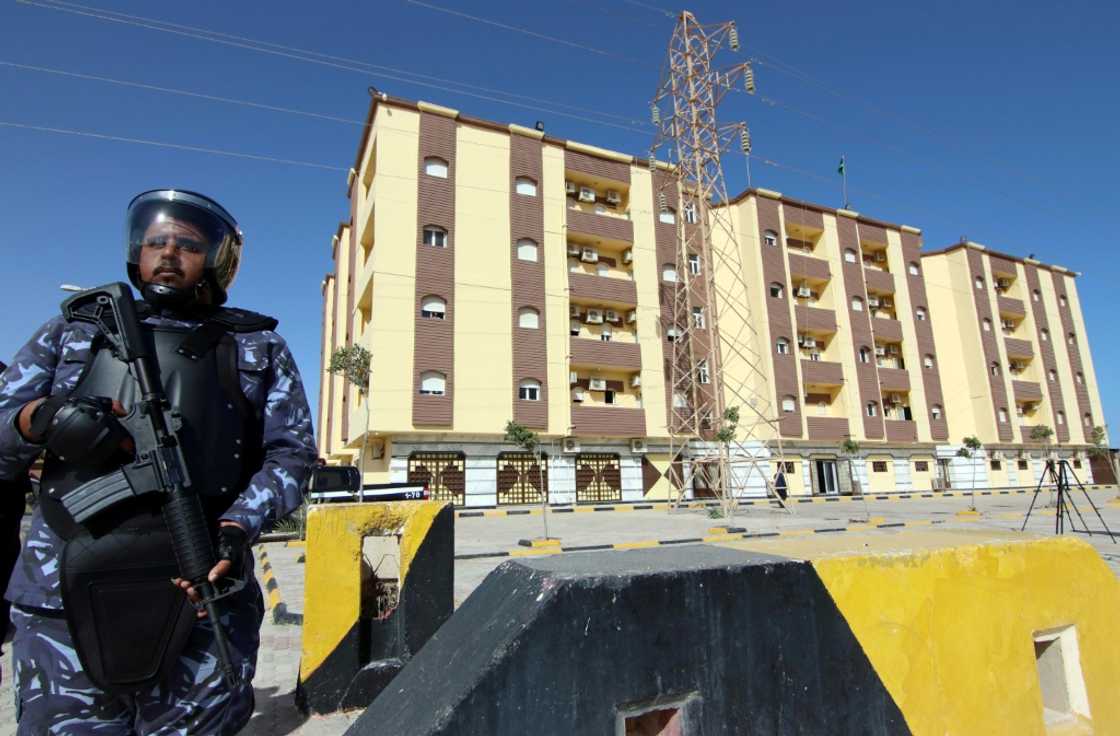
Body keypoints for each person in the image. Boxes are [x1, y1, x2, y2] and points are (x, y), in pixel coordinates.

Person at [0, 189, 317, 734]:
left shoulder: (256, 347)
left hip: (200, 592)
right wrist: (43, 419)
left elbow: (291, 454)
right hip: (65, 598)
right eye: (156, 241)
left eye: (188, 244)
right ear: (136, 250)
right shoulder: (73, 334)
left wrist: (238, 526)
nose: (169, 253)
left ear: (218, 260)